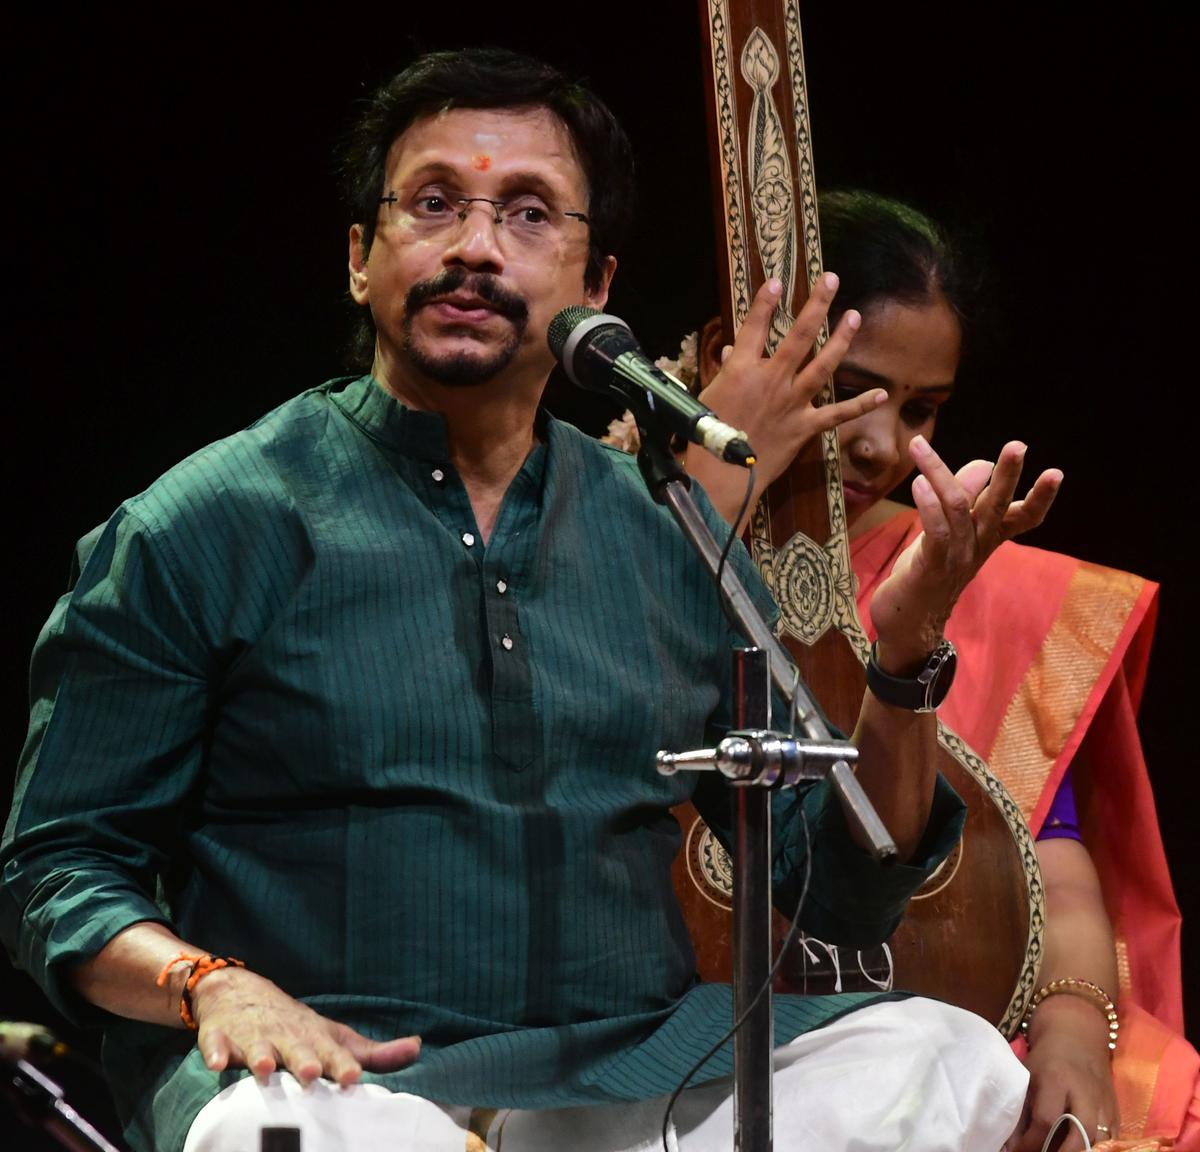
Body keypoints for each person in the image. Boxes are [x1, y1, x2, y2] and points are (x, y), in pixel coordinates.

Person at [2, 54, 1059, 1152]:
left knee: (949, 1056)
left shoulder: (665, 525)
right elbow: (58, 865)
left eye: (526, 214)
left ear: (595, 286)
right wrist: (209, 984)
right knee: (290, 1136)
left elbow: (838, 896)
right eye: (432, 203)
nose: (472, 245)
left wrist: (901, 653)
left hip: (618, 1073)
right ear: (361, 259)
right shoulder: (204, 524)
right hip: (335, 1069)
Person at [681, 189, 1200, 1152]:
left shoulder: (971, 578)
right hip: (667, 1023)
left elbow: (1050, 844)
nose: (881, 444)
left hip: (945, 999)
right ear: (733, 350)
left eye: (921, 409)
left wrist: (1078, 1025)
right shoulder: (614, 529)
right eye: (854, 390)